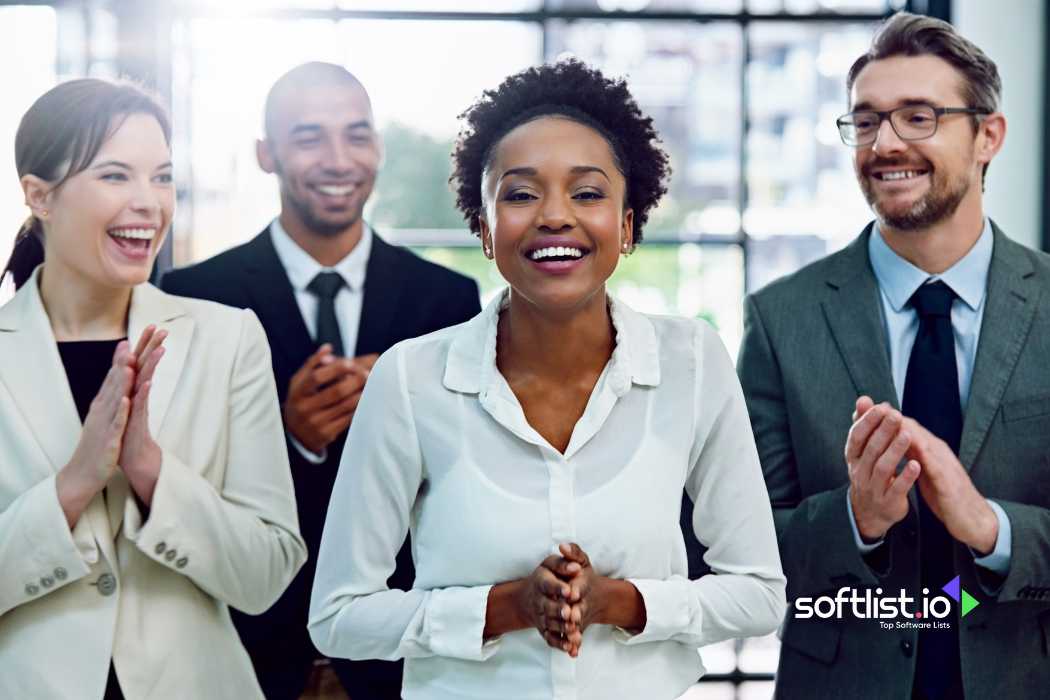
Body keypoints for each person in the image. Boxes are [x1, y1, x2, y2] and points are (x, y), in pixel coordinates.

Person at [308, 59, 786, 700]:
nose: (554, 215)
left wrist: (620, 602)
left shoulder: (692, 363)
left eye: (587, 193)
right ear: (483, 228)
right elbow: (338, 618)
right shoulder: (411, 379)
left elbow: (760, 595)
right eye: (520, 193)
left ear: (627, 224)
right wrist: (505, 608)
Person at [738, 12, 1050, 700]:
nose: (886, 144)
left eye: (918, 117)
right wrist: (858, 520)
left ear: (987, 137)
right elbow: (738, 550)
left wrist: (990, 526)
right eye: (867, 121)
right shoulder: (780, 320)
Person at [161, 62, 481, 699]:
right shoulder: (196, 298)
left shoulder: (446, 300)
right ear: (265, 154)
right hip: (247, 653)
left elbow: (470, 486)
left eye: (357, 135)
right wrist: (288, 436)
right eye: (309, 138)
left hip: (404, 658)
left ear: (378, 148)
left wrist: (403, 421)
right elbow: (176, 484)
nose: (339, 159)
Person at [0, 79, 306, 699]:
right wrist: (73, 484)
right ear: (40, 195)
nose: (150, 203)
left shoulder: (227, 341)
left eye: (162, 177)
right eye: (115, 176)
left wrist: (149, 469)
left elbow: (266, 573)